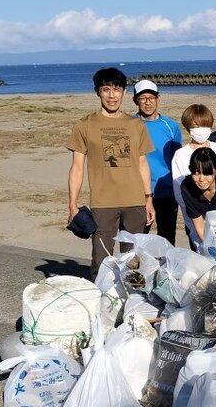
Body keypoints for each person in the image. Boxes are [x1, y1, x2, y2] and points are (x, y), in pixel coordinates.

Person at [66, 67, 155, 277]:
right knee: (101, 259)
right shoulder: (85, 125)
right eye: (106, 89)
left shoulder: (136, 125)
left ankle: (131, 303)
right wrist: (72, 205)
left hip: (135, 201)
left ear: (124, 92)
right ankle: (101, 300)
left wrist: (148, 198)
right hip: (103, 202)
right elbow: (77, 167)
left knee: (133, 260)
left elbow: (142, 163)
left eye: (117, 89)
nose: (112, 95)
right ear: (98, 92)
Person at [171, 104, 216, 249]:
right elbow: (179, 191)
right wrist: (197, 215)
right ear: (188, 128)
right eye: (195, 127)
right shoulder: (180, 155)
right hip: (195, 217)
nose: (201, 131)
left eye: (204, 126)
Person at [132, 79, 182, 245]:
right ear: (135, 100)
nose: (148, 102)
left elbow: (177, 160)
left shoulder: (170, 126)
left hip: (165, 191)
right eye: (143, 98)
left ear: (158, 98)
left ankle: (165, 270)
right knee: (136, 240)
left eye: (151, 98)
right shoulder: (129, 125)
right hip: (137, 192)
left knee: (167, 240)